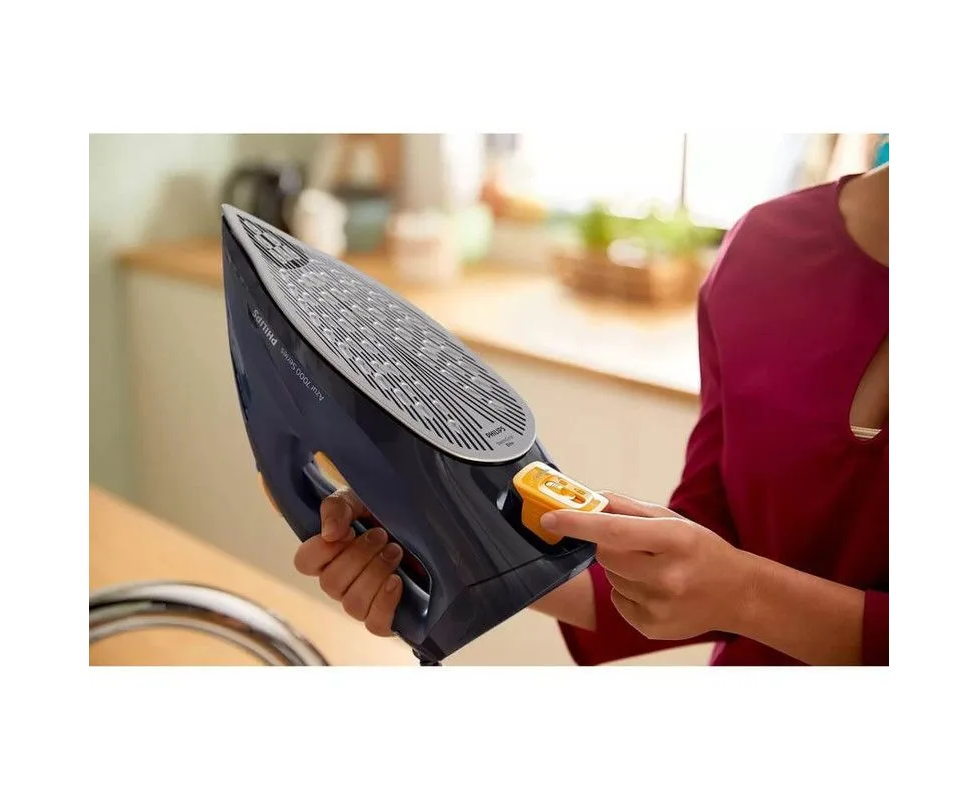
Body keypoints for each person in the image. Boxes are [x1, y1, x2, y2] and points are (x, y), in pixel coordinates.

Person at [293, 163, 889, 666]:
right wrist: (448, 533)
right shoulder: (766, 248)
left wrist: (746, 594)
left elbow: (731, 580)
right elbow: (705, 549)